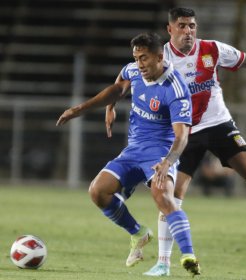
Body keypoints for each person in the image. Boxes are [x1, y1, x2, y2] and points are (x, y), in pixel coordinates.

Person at [106, 8, 246, 277]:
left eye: (192, 26)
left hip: (218, 124)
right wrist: (111, 105)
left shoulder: (212, 50)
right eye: (182, 26)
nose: (188, 31)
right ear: (170, 30)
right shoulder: (159, 56)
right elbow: (126, 77)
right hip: (183, 133)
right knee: (170, 196)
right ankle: (163, 263)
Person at [56, 32, 200, 276]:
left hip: (160, 153)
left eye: (144, 58)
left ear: (159, 56)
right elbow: (120, 85)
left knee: (164, 198)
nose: (139, 64)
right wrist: (94, 108)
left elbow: (182, 136)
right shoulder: (134, 71)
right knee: (97, 191)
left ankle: (189, 256)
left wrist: (167, 162)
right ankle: (138, 233)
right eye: (136, 58)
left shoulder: (175, 89)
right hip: (134, 149)